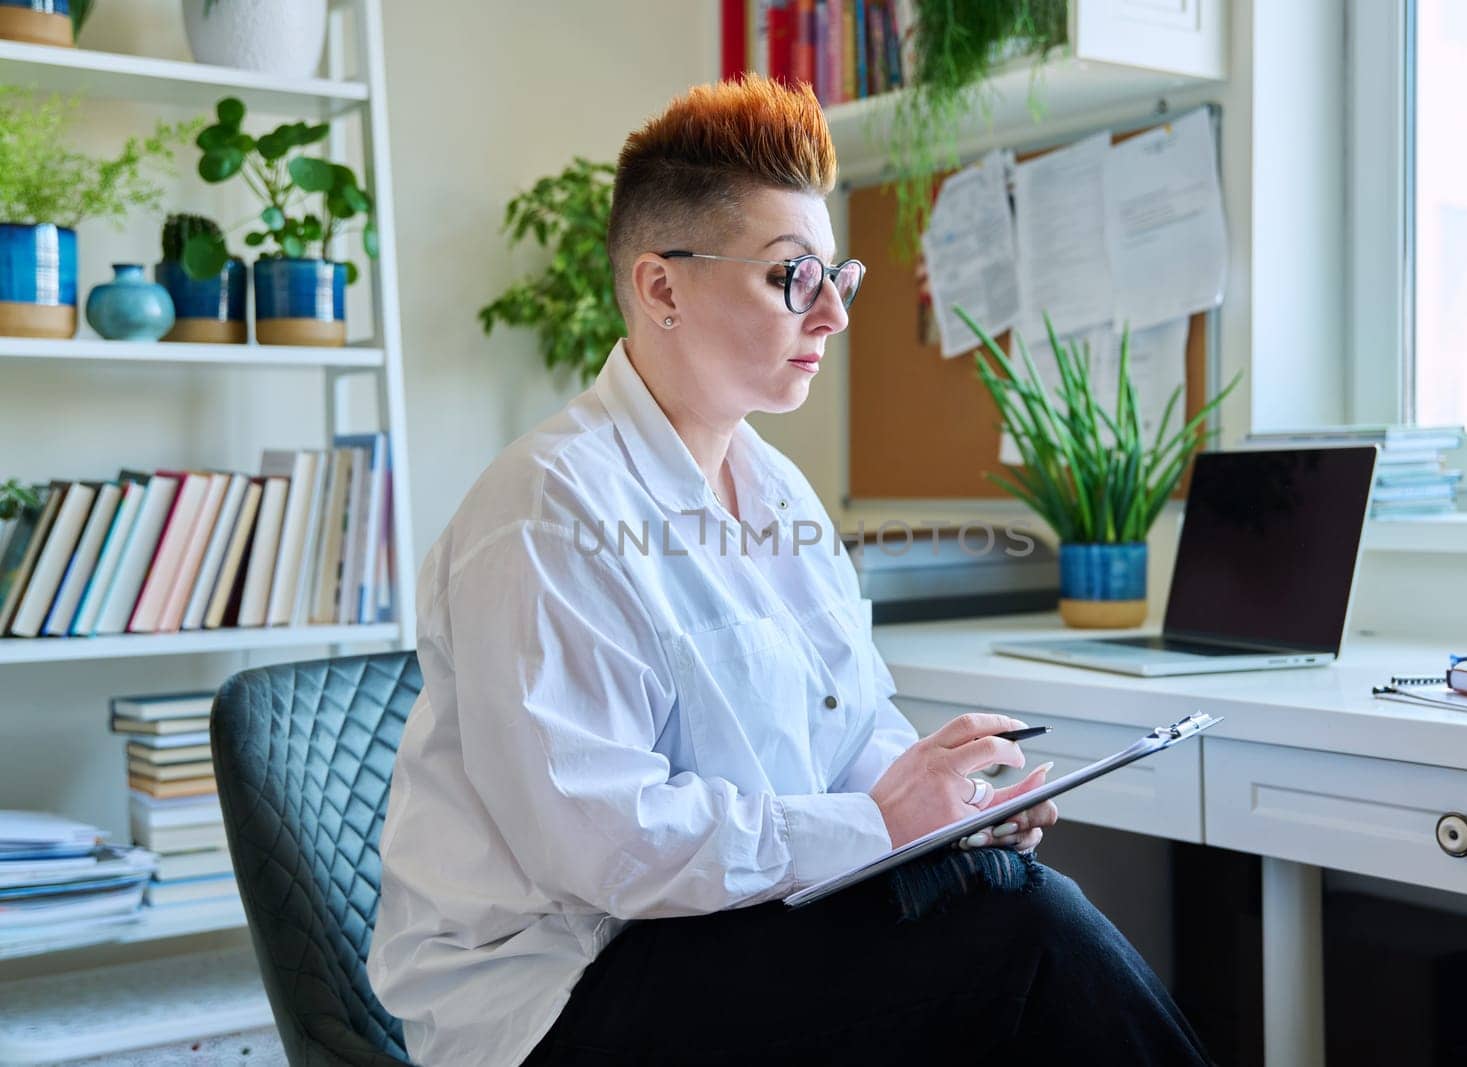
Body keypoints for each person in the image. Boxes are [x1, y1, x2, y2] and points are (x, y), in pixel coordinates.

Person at [368, 75, 1211, 1067]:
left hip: (725, 929)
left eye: (834, 279)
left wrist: (942, 807)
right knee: (1020, 939)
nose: (831, 317)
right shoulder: (547, 508)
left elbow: (845, 729)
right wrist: (874, 820)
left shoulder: (776, 492)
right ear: (661, 286)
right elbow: (600, 845)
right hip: (556, 995)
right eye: (788, 277)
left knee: (999, 899)